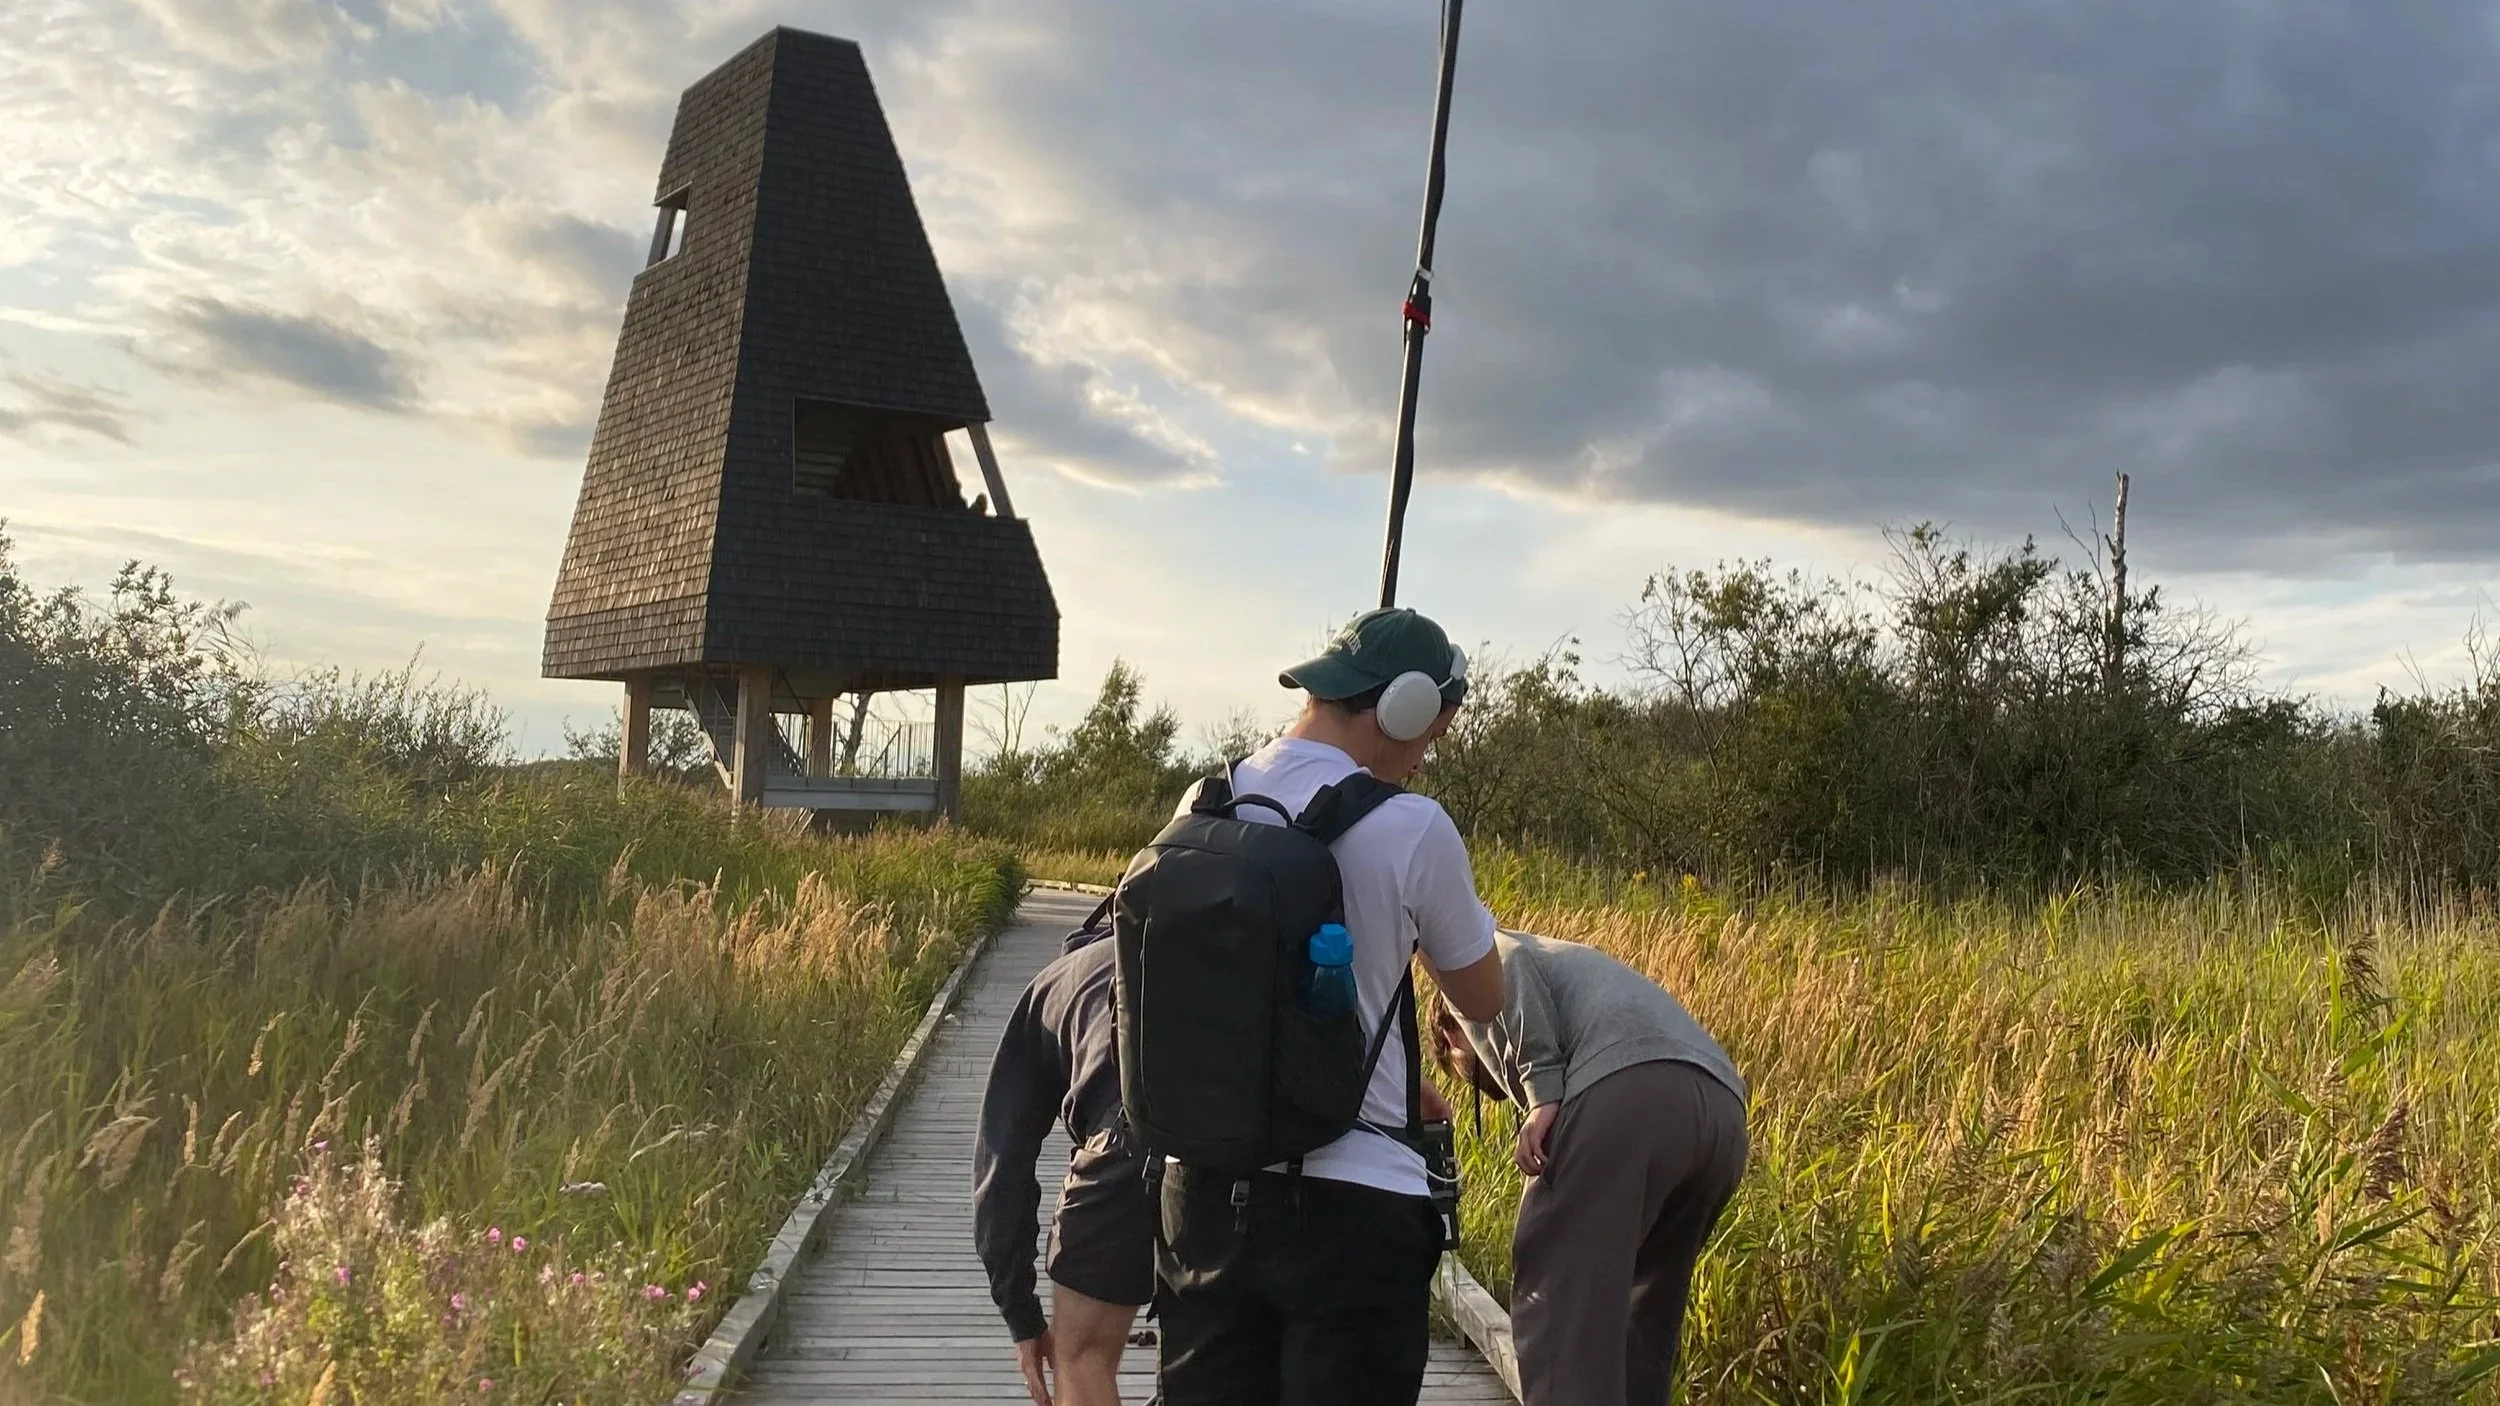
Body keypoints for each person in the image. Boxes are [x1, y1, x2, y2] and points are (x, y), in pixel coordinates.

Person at [1155, 607, 1508, 1406]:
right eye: (1433, 733)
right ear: (1404, 709)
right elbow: (1486, 995)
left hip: (1204, 1190)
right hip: (1355, 1204)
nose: (1425, 758)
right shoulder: (1412, 826)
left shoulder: (1203, 802)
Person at [1429, 930, 1749, 1406]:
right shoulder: (1570, 964)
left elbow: (1503, 956)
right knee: (1642, 1316)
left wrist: (1539, 1092)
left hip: (1625, 1094)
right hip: (1721, 1114)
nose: (1482, 1082)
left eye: (1462, 1070)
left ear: (1452, 1036)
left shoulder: (1466, 970)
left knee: (1561, 1309)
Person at [975, 912, 1153, 1406]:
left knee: (1081, 1357)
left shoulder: (1053, 985)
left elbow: (1001, 1163)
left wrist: (1022, 1315)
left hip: (1124, 1150)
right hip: (1252, 1162)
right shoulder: (1224, 961)